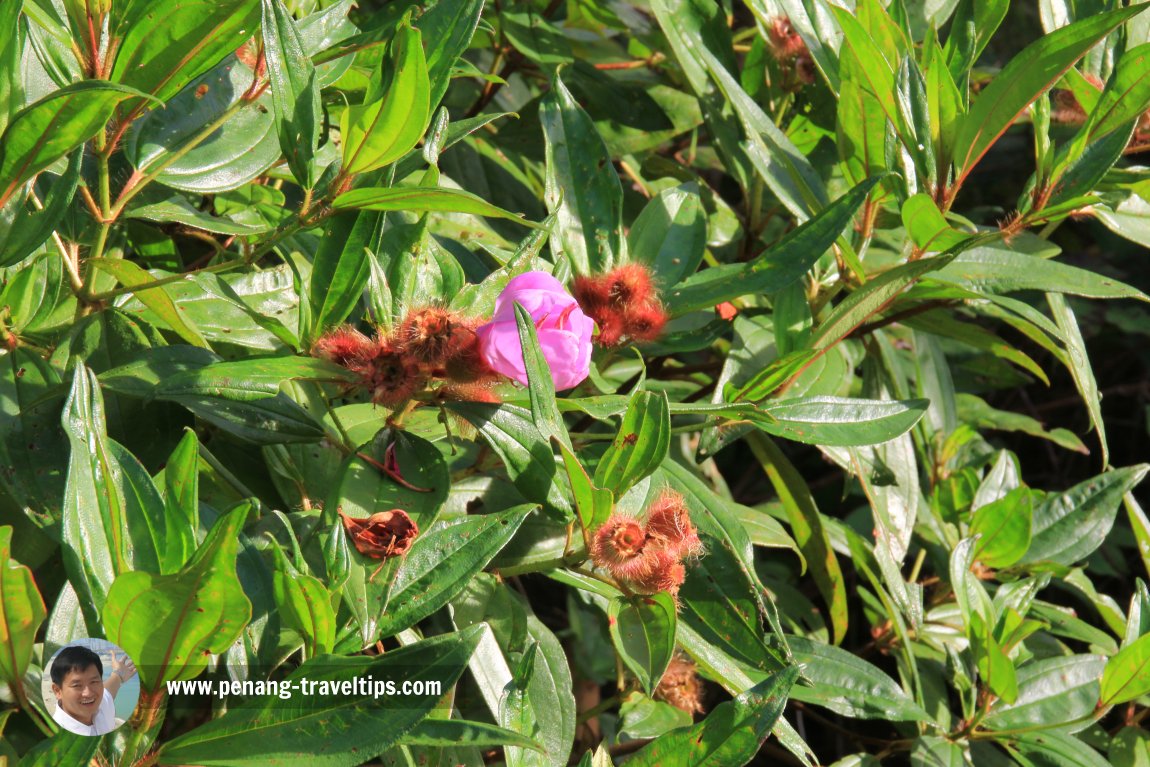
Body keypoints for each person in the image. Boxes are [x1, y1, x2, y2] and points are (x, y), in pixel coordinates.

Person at [49, 645, 137, 736]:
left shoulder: (101, 705)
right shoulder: (57, 732)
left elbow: (109, 690)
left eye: (94, 682)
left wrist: (119, 674)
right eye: (77, 685)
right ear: (57, 691)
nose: (88, 693)